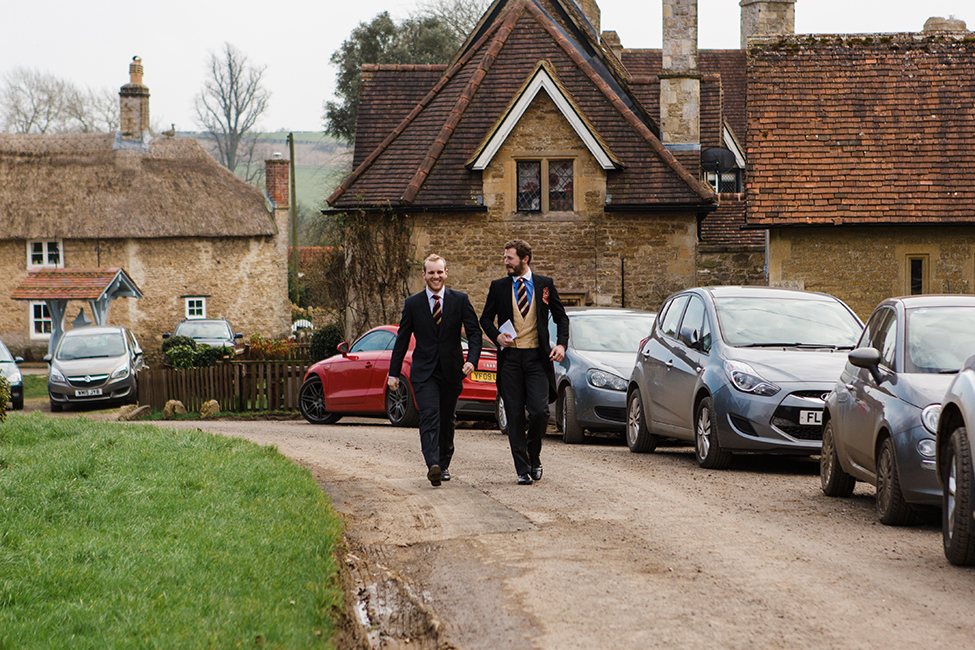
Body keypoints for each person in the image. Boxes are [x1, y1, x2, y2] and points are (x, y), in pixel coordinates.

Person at [388, 254, 482, 487]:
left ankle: (444, 463)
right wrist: (393, 372)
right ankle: (433, 465)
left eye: (439, 272)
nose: (436, 276)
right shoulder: (413, 304)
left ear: (446, 273)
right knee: (429, 415)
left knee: (447, 419)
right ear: (424, 275)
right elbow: (402, 340)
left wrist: (472, 360)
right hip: (424, 372)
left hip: (452, 371)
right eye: (431, 272)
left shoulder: (460, 300)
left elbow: (475, 333)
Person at [480, 240, 569, 485]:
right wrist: (496, 335)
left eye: (510, 258)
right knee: (515, 416)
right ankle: (522, 469)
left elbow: (562, 318)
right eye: (505, 257)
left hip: (536, 359)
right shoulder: (498, 287)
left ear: (524, 259)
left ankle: (534, 455)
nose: (505, 262)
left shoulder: (544, 285)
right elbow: (485, 319)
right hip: (510, 360)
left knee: (540, 412)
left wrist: (561, 344)